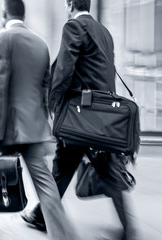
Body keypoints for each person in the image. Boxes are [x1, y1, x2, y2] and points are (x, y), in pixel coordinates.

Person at [21, 1, 139, 239]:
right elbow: (104, 76)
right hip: (100, 119)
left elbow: (64, 70)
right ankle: (127, 227)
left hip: (79, 117)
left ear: (71, 4)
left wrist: (53, 103)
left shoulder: (73, 27)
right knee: (89, 168)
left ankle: (41, 216)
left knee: (64, 166)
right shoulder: (103, 32)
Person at [0, 1, 77, 239]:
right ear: (23, 15)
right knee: (46, 188)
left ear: (4, 13)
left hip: (7, 128)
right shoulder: (42, 44)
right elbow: (46, 88)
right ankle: (64, 236)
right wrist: (43, 121)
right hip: (34, 127)